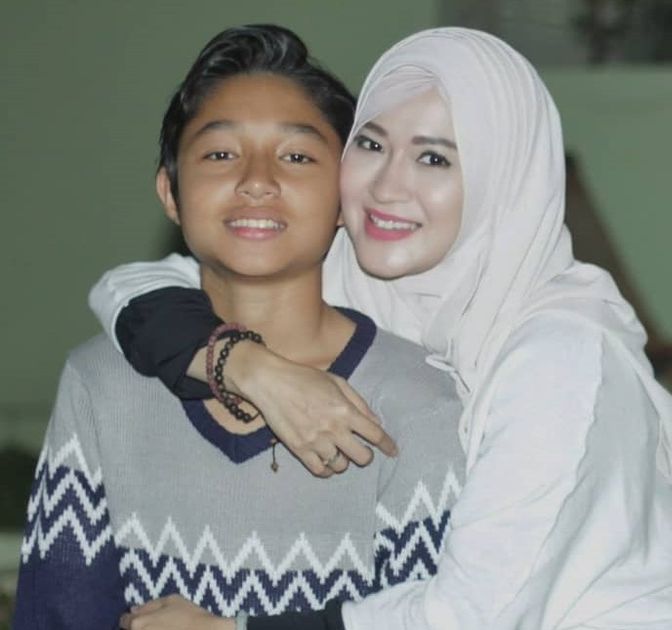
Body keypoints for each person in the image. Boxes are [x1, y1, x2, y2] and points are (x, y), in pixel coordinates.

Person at [95, 27, 672, 629]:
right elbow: (133, 288)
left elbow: (473, 617)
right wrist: (246, 367)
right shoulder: (358, 280)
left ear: (502, 178)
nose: (387, 186)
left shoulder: (560, 358)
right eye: (371, 145)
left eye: (434, 158)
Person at [13, 25, 465, 630]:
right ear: (170, 192)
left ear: (345, 196)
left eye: (297, 156)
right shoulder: (101, 383)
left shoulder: (418, 402)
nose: (256, 180)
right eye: (221, 154)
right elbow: (56, 614)